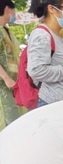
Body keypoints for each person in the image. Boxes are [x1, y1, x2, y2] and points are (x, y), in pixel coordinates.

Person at [28, 0, 63, 107]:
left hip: (62, 102)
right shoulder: (42, 35)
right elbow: (36, 71)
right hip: (51, 103)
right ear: (51, 9)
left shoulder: (57, 35)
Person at [0, 0, 24, 130]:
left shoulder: (5, 30)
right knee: (10, 123)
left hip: (13, 84)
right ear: (8, 9)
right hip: (4, 86)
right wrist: (6, 78)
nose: (14, 14)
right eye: (14, 10)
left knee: (17, 118)